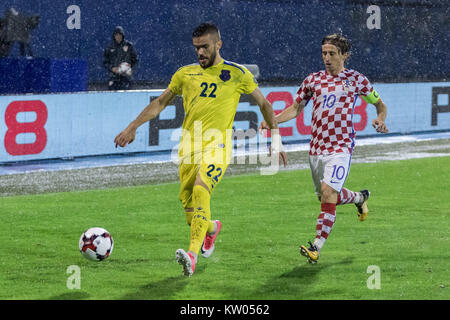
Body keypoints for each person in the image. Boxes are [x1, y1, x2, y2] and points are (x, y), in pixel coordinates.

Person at [114, 22, 287, 276]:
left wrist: (276, 138)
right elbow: (160, 102)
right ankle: (212, 229)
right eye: (197, 48)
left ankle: (192, 257)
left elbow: (264, 104)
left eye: (205, 47)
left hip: (219, 145)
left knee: (201, 189)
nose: (200, 53)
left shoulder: (237, 73)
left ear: (218, 44)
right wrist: (132, 127)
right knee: (191, 213)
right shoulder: (185, 74)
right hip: (188, 147)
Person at [260, 33, 389, 264]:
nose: (326, 58)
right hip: (316, 149)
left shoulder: (357, 80)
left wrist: (380, 118)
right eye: (324, 53)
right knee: (327, 197)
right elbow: (296, 108)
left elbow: (380, 104)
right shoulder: (313, 80)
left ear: (344, 55)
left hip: (341, 147)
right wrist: (274, 120)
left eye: (332, 53)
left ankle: (316, 247)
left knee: (329, 194)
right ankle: (359, 197)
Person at [103, 26, 138, 90]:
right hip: (113, 78)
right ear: (114, 36)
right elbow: (105, 62)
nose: (118, 37)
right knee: (112, 97)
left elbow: (135, 60)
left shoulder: (129, 46)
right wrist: (112, 68)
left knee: (127, 97)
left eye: (120, 35)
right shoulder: (109, 48)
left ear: (122, 35)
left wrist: (131, 67)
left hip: (126, 78)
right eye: (116, 35)